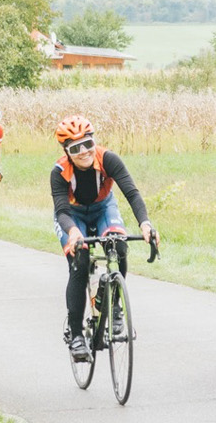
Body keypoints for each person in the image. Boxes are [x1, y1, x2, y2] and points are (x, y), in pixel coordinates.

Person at [51, 115, 159, 361]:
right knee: (80, 261)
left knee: (118, 245)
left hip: (103, 208)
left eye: (88, 144)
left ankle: (114, 305)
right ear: (66, 151)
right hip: (72, 215)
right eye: (75, 148)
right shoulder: (59, 172)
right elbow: (61, 212)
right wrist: (73, 232)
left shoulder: (108, 158)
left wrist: (145, 223)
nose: (84, 152)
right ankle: (77, 335)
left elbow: (131, 193)